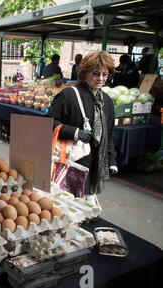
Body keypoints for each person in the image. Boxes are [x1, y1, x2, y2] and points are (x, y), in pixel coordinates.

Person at [47, 50, 118, 199]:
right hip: (70, 161)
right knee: (67, 202)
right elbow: (48, 123)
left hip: (94, 163)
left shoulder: (107, 101)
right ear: (84, 73)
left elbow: (109, 134)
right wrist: (76, 133)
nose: (100, 79)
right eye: (95, 73)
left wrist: (111, 161)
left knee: (85, 204)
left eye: (104, 74)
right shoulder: (69, 95)